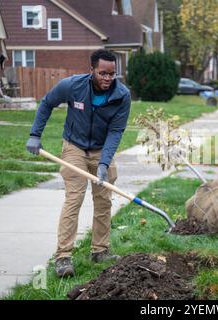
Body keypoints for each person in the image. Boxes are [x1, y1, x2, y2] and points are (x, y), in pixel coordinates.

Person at [25, 49, 131, 277]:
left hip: (102, 147)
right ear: (91, 69)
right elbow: (47, 103)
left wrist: (104, 163)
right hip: (74, 146)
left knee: (104, 200)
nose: (107, 78)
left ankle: (100, 251)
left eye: (112, 74)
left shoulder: (122, 95)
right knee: (74, 197)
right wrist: (35, 134)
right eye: (102, 73)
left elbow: (116, 130)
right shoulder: (72, 86)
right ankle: (63, 257)